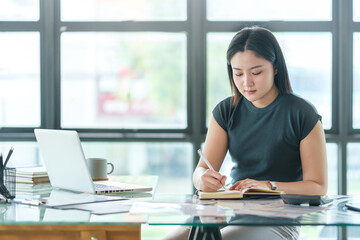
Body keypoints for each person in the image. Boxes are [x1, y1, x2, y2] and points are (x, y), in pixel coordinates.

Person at [191, 26, 328, 240]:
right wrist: (202, 179)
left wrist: (268, 186)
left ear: (275, 68)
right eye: (238, 73)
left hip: (279, 222)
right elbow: (200, 171)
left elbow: (318, 186)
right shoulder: (226, 111)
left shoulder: (302, 114)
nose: (247, 82)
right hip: (230, 215)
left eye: (256, 72)